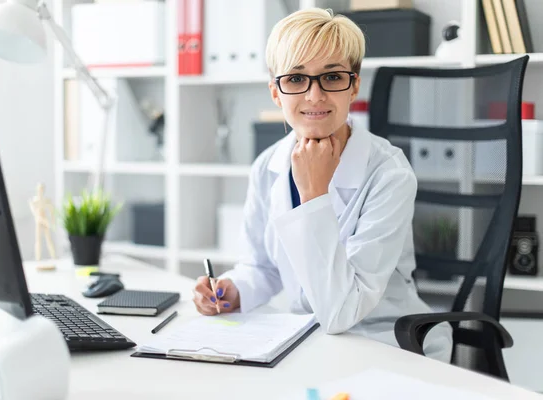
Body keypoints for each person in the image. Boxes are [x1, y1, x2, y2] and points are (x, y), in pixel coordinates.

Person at [192, 7, 453, 362]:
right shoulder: (268, 166)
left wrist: (315, 195)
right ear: (275, 92)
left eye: (331, 78)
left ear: (354, 85)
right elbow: (262, 266)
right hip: (307, 339)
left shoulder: (389, 173)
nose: (314, 96)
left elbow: (342, 312)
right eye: (297, 79)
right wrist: (232, 290)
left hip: (385, 343)